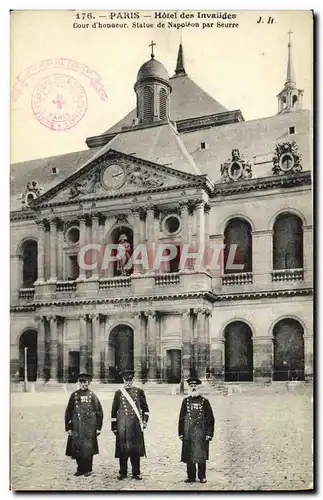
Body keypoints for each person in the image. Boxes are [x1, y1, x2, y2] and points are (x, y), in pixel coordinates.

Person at [111, 370, 149, 480]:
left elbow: (145, 409)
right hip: (122, 425)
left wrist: (145, 422)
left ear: (133, 380)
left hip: (135, 425)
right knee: (123, 450)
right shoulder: (118, 393)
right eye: (126, 380)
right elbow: (114, 411)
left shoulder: (139, 391)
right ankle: (122, 472)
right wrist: (114, 426)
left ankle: (136, 472)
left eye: (130, 380)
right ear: (123, 380)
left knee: (135, 450)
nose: (128, 382)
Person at [65, 373, 103, 477]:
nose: (83, 384)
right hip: (77, 426)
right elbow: (68, 411)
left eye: (85, 382)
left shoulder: (92, 395)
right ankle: (80, 469)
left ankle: (88, 469)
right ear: (78, 383)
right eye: (81, 382)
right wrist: (68, 427)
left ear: (89, 383)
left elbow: (99, 412)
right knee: (77, 448)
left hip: (89, 427)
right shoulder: (74, 395)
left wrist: (98, 428)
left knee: (88, 449)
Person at [178, 377, 215, 484]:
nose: (193, 388)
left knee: (201, 455)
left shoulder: (205, 401)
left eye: (195, 386)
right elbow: (181, 418)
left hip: (201, 432)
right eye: (191, 386)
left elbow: (210, 419)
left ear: (199, 387)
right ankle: (191, 476)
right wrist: (180, 432)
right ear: (189, 388)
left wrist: (209, 433)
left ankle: (202, 476)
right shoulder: (185, 401)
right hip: (188, 432)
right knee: (189, 454)